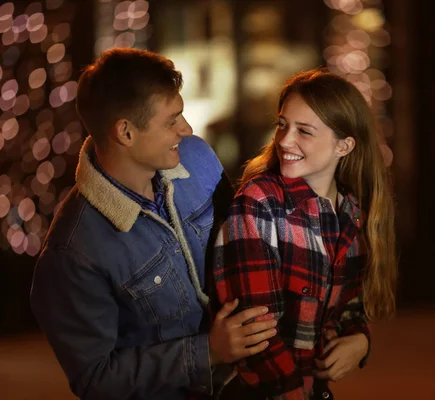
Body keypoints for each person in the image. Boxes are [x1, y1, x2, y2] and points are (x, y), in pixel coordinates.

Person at [29, 48, 278, 400]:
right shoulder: (72, 252)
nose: (187, 128)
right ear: (126, 133)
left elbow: (247, 243)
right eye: (171, 120)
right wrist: (208, 351)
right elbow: (95, 379)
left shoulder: (197, 155)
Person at [212, 69, 398, 400]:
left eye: (305, 131)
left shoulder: (352, 213)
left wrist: (360, 339)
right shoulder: (259, 203)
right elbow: (257, 335)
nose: (284, 140)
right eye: (282, 124)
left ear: (345, 145)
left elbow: (350, 306)